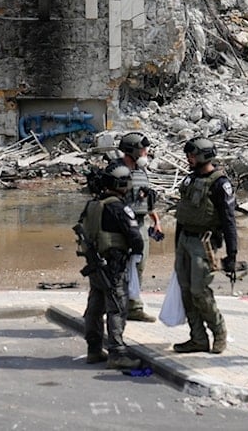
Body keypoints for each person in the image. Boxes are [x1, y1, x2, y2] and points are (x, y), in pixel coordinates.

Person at [171, 137, 238, 354]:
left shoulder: (220, 183)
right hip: (185, 241)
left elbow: (229, 221)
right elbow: (183, 214)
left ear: (203, 156)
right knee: (186, 292)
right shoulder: (190, 180)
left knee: (199, 291)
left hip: (205, 243)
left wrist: (232, 253)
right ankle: (197, 338)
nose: (188, 159)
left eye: (191, 155)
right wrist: (177, 245)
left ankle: (219, 333)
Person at [75, 163, 144, 370]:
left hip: (95, 264)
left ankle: (94, 349)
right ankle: (117, 353)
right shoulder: (117, 207)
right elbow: (136, 239)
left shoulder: (93, 205)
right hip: (113, 265)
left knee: (95, 307)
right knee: (117, 308)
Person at [116, 132, 162, 323]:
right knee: (119, 269)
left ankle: (134, 307)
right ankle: (115, 307)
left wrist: (156, 221)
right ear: (132, 151)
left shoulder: (141, 172)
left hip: (141, 224)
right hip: (122, 226)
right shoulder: (117, 173)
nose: (145, 153)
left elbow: (147, 199)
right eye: (142, 149)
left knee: (139, 266)